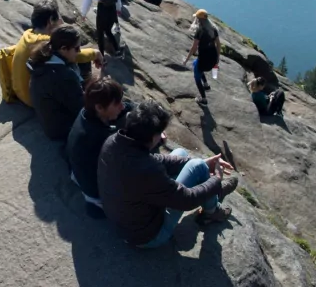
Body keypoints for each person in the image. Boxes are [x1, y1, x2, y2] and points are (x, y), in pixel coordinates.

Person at [97, 101, 239, 248]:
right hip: (147, 236)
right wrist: (215, 180)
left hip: (127, 218)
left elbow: (154, 159)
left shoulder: (114, 142)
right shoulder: (146, 169)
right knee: (197, 166)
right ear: (153, 137)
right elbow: (186, 199)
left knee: (181, 154)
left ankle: (211, 194)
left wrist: (203, 162)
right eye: (160, 134)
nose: (162, 137)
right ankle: (212, 210)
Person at [8, 0, 103, 107]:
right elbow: (77, 56)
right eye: (59, 18)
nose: (62, 22)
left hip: (21, 92)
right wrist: (96, 53)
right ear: (50, 21)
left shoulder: (28, 34)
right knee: (77, 57)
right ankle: (84, 91)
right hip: (33, 99)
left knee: (72, 53)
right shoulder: (44, 43)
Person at [67, 77, 132, 219]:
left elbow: (124, 107)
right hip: (94, 188)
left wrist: (135, 109)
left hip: (79, 173)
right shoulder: (98, 136)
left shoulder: (86, 113)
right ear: (99, 107)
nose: (121, 106)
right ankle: (98, 204)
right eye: (117, 103)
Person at [28, 26, 86, 141]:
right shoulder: (62, 76)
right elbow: (82, 108)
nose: (79, 51)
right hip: (62, 130)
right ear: (64, 48)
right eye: (77, 48)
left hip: (50, 122)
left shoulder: (44, 60)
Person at [183, 9, 221, 106]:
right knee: (195, 63)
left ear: (199, 20)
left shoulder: (200, 31)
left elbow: (194, 48)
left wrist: (186, 60)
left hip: (203, 60)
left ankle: (203, 99)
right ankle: (206, 85)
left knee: (196, 76)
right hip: (212, 59)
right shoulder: (213, 29)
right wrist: (217, 58)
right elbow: (218, 44)